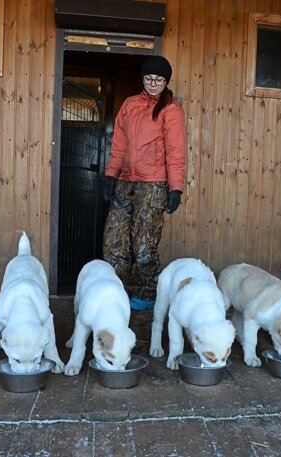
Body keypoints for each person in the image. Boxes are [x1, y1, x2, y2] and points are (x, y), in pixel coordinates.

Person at [102, 55, 186, 311]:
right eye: (149, 79)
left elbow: (176, 151)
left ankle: (147, 291)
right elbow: (118, 145)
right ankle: (117, 292)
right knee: (113, 241)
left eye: (159, 80)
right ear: (142, 79)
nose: (153, 84)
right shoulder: (129, 104)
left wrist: (175, 188)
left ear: (166, 81)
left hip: (153, 183)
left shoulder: (171, 109)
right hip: (126, 180)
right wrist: (110, 176)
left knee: (143, 245)